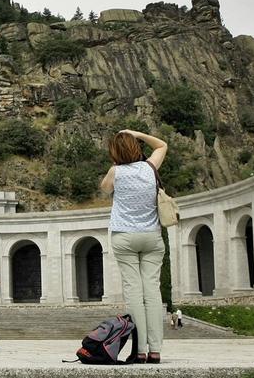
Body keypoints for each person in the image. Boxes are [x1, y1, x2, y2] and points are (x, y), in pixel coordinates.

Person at [100, 129, 168, 364]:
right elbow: (161, 145)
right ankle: (156, 349)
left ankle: (139, 350)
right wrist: (135, 133)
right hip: (151, 236)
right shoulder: (150, 168)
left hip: (125, 237)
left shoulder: (115, 172)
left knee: (134, 293)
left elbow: (105, 188)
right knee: (152, 291)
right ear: (136, 148)